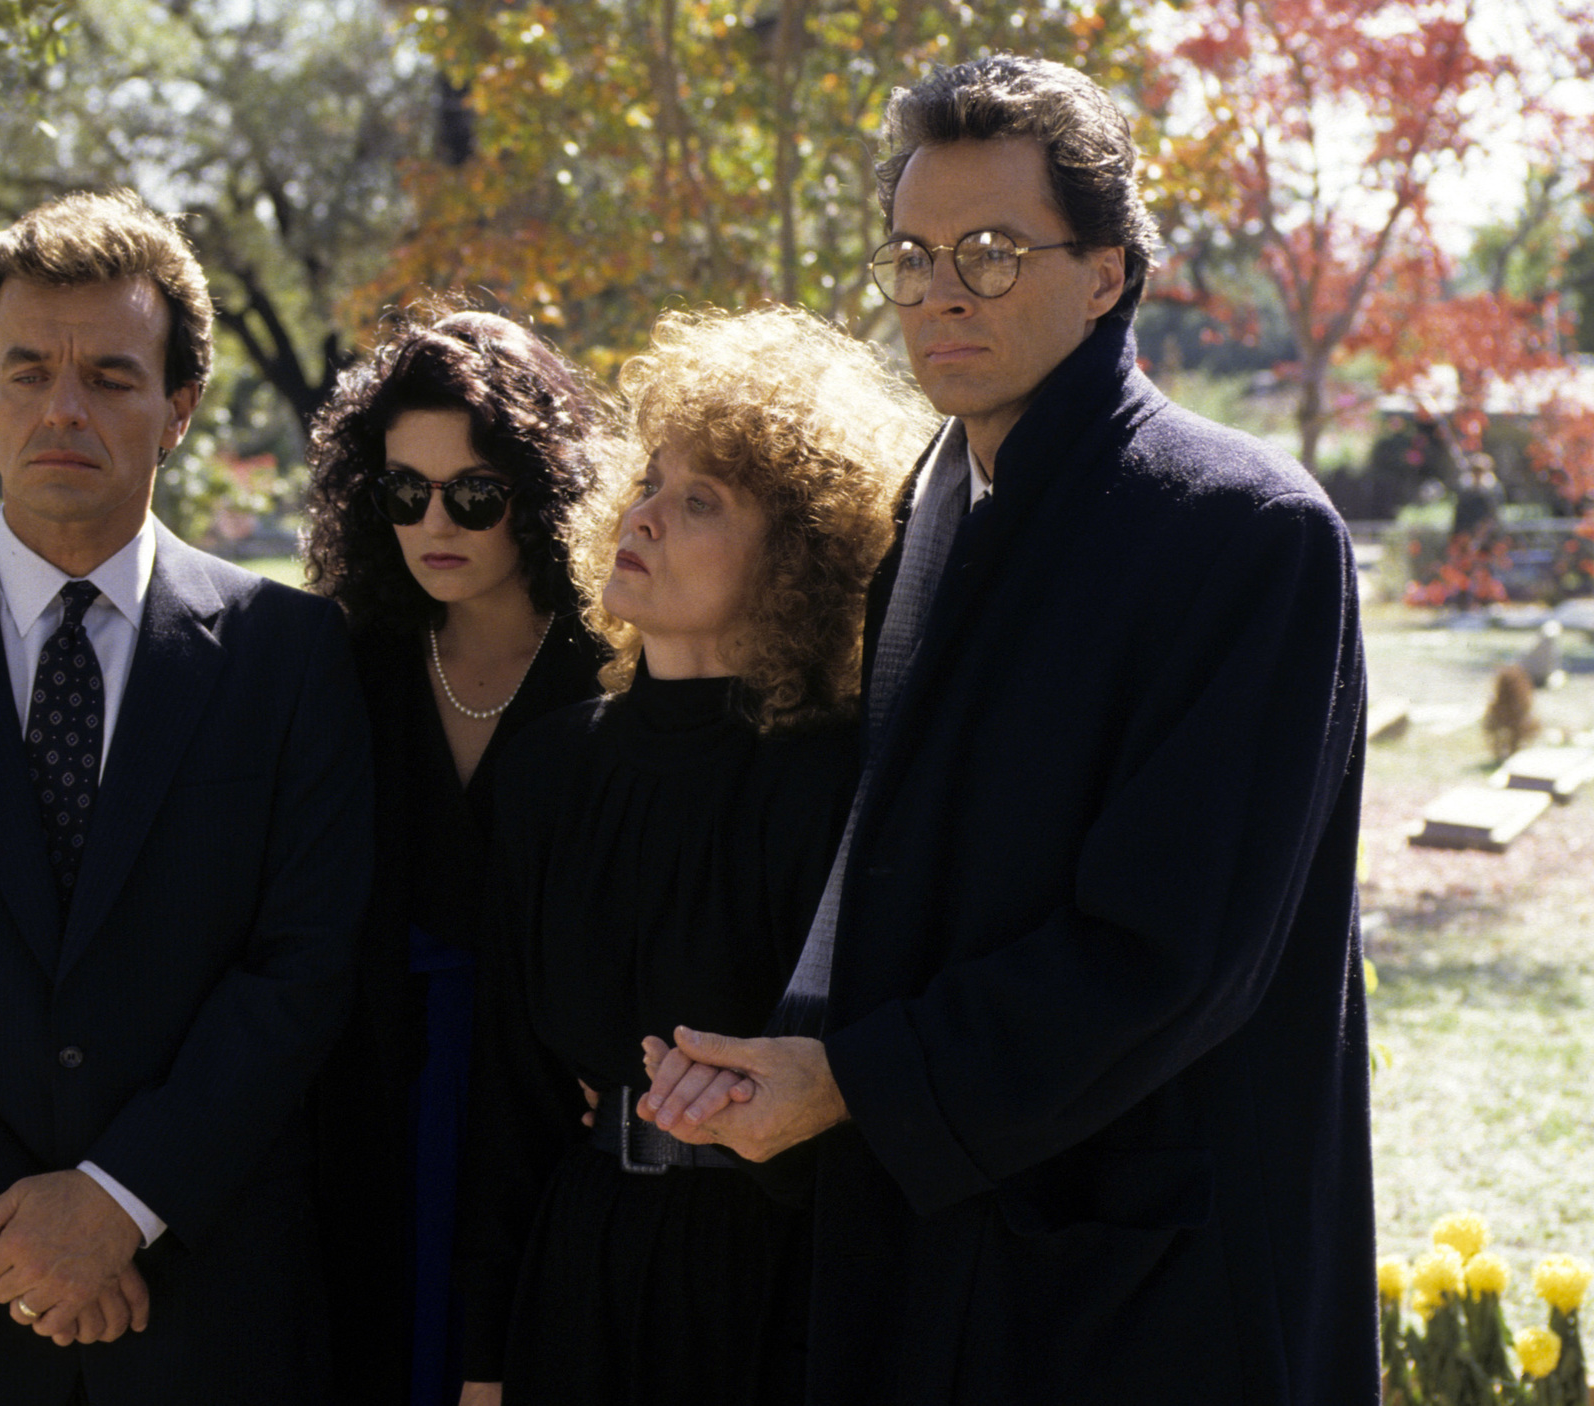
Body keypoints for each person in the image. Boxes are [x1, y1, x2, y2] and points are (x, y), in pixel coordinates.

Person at [638, 55, 1378, 1403]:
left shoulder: (1244, 534)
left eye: (988, 250)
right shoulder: (931, 500)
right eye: (912, 254)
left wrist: (853, 1079)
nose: (939, 291)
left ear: (1107, 273)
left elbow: (1170, 954)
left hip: (1141, 1280)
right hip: (933, 1248)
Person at [0, 189, 372, 1406]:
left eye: (110, 372)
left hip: (202, 1298)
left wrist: (119, 1200)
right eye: (28, 367)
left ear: (179, 407)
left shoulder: (291, 655)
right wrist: (15, 1232)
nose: (64, 406)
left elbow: (303, 965)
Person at [459, 305, 932, 1406]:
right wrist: (483, 1368)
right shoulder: (544, 774)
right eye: (649, 479)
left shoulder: (841, 781)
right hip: (576, 1279)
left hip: (780, 1302)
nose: (645, 514)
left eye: (700, 499)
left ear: (798, 559)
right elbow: (505, 1106)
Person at [301, 305, 607, 1406]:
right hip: (364, 1119)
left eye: (474, 493)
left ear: (543, 488)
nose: (436, 519)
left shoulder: (614, 673)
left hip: (549, 1135)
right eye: (402, 491)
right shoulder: (344, 668)